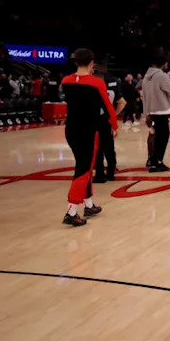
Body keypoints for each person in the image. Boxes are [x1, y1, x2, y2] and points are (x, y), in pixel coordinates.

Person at [60, 48, 118, 226]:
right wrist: (114, 125)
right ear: (92, 63)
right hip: (88, 130)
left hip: (71, 129)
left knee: (82, 165)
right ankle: (71, 210)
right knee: (84, 169)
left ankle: (89, 204)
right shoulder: (96, 83)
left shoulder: (66, 81)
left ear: (76, 62)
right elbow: (108, 107)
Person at [141, 53, 170, 172]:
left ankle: (152, 159)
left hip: (151, 109)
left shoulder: (146, 76)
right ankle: (157, 161)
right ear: (163, 63)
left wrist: (146, 113)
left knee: (154, 135)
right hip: (162, 109)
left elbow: (144, 95)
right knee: (163, 136)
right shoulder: (161, 75)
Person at [94, 64, 125, 182]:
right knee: (109, 147)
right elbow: (122, 102)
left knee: (97, 148)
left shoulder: (92, 87)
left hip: (95, 119)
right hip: (107, 120)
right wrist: (113, 115)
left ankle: (99, 174)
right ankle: (111, 173)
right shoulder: (112, 86)